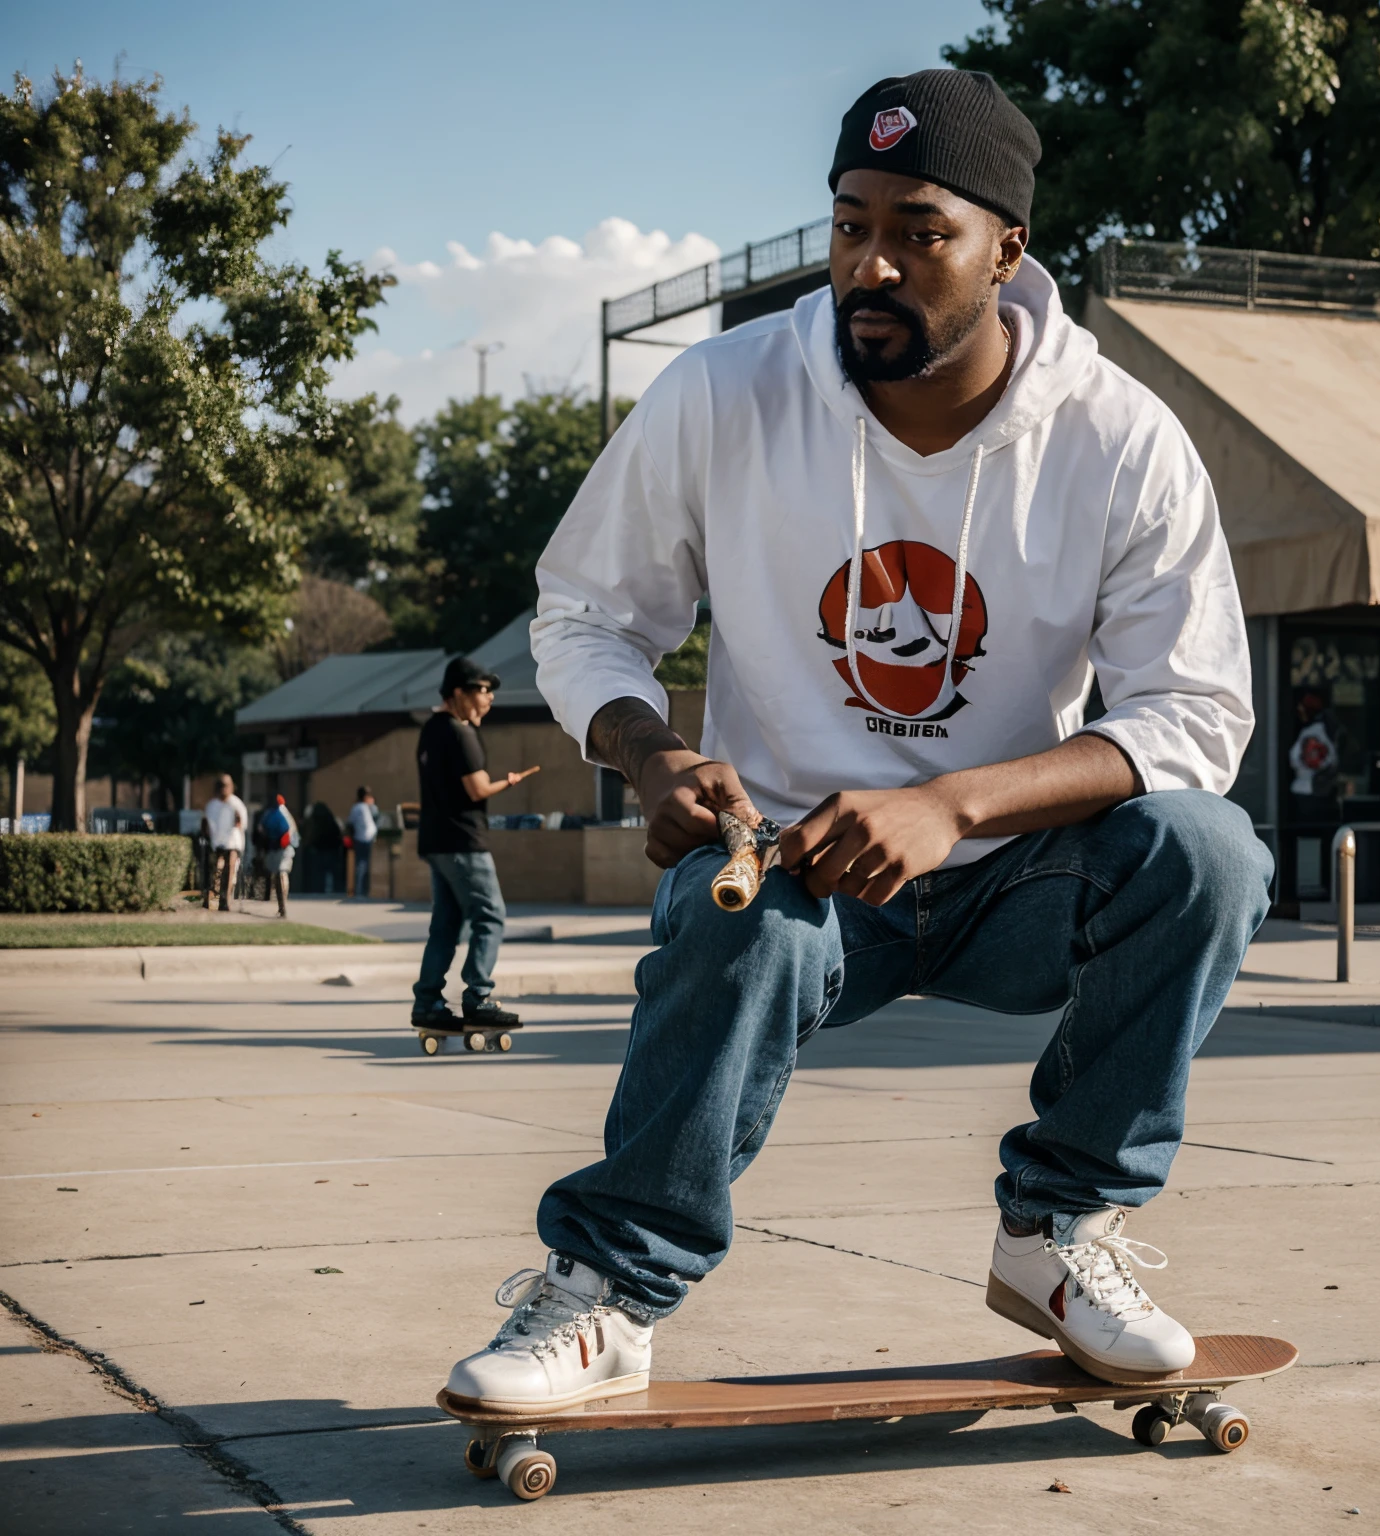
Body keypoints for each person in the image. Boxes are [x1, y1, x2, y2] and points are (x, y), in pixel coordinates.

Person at [443, 70, 1271, 1415]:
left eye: (917, 231)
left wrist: (953, 806)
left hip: (1017, 877)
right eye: (847, 223)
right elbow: (587, 614)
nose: (868, 264)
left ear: (1007, 250)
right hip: (790, 867)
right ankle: (609, 1299)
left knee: (1210, 856)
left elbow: (1196, 712)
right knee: (747, 922)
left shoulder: (1119, 440)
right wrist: (649, 753)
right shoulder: (725, 393)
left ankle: (1058, 1233)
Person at [411, 656, 539, 1031]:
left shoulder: (430, 730)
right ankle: (478, 997)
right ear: (458, 693)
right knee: (490, 916)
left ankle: (428, 1004)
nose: (489, 699)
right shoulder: (461, 733)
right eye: (483, 691)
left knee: (446, 925)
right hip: (464, 841)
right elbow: (477, 788)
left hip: (435, 841)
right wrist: (509, 782)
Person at [201, 774, 248, 912]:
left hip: (232, 842)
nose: (223, 789)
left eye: (226, 786)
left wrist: (238, 822)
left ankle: (225, 900)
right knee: (215, 870)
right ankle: (210, 898)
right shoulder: (212, 805)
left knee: (229, 869)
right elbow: (206, 826)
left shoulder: (236, 804)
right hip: (216, 843)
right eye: (221, 786)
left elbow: (242, 825)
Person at [261, 794, 301, 918]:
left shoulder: (267, 815)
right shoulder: (286, 814)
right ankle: (283, 903)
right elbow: (293, 835)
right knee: (283, 873)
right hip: (286, 848)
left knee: (279, 875)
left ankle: (281, 906)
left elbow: (261, 831)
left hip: (275, 848)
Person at [347, 786, 379, 898]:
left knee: (361, 864)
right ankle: (361, 890)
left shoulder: (357, 807)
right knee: (363, 864)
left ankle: (361, 889)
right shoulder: (367, 807)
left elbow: (350, 824)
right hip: (366, 838)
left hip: (361, 838)